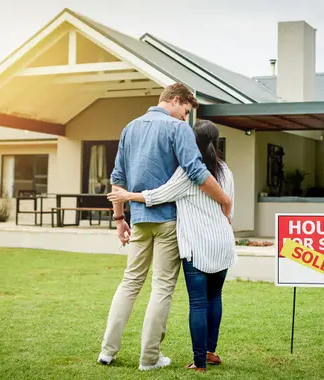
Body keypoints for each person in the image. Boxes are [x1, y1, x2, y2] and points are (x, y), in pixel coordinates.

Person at [97, 83, 232, 371]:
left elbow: (117, 177)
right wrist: (224, 200)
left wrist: (119, 219)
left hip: (138, 219)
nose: (185, 118)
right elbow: (196, 172)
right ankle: (149, 359)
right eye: (185, 111)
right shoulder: (176, 128)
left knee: (129, 283)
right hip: (168, 221)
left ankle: (107, 351)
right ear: (174, 100)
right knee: (161, 288)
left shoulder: (130, 127)